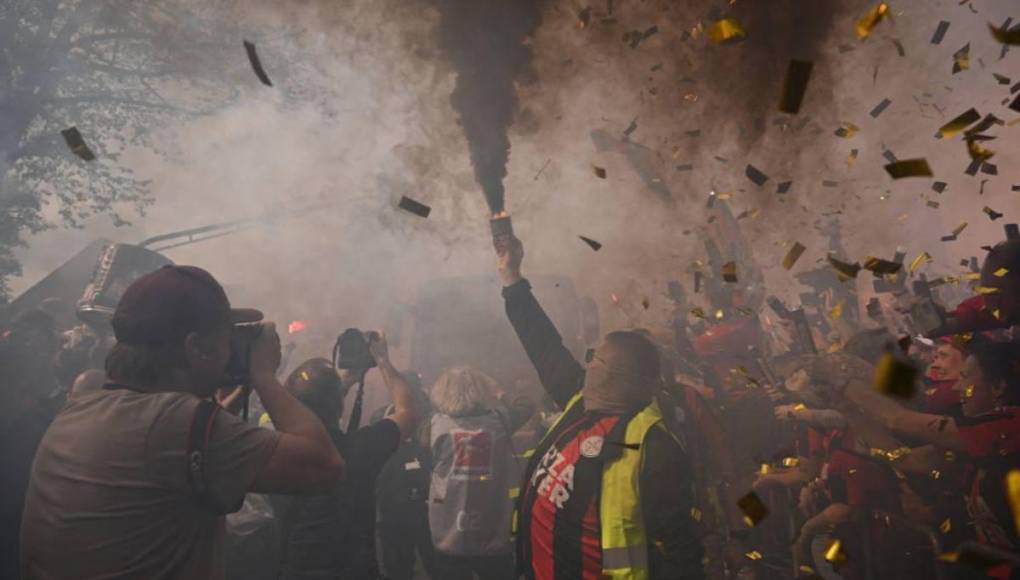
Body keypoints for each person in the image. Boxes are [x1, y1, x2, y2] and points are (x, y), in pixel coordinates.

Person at [19, 265, 344, 580]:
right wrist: (263, 375)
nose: (231, 350)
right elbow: (323, 467)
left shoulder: (78, 410)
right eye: (225, 339)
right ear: (195, 348)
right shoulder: (177, 422)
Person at [494, 235, 704, 580]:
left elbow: (682, 550)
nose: (587, 362)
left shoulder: (655, 449)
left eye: (596, 358)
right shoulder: (582, 402)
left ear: (617, 376)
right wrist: (511, 279)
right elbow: (543, 345)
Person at [273, 336, 420, 580]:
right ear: (339, 406)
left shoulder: (276, 449)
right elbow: (408, 411)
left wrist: (345, 383)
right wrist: (382, 361)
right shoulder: (360, 449)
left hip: (295, 571)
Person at [428, 366, 535, 580]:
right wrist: (499, 391)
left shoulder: (434, 426)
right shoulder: (500, 421)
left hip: (447, 533)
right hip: (492, 531)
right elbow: (526, 405)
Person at [374, 371, 436, 580]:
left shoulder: (432, 418)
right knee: (398, 567)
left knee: (437, 565)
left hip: (427, 505)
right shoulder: (382, 416)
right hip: (393, 506)